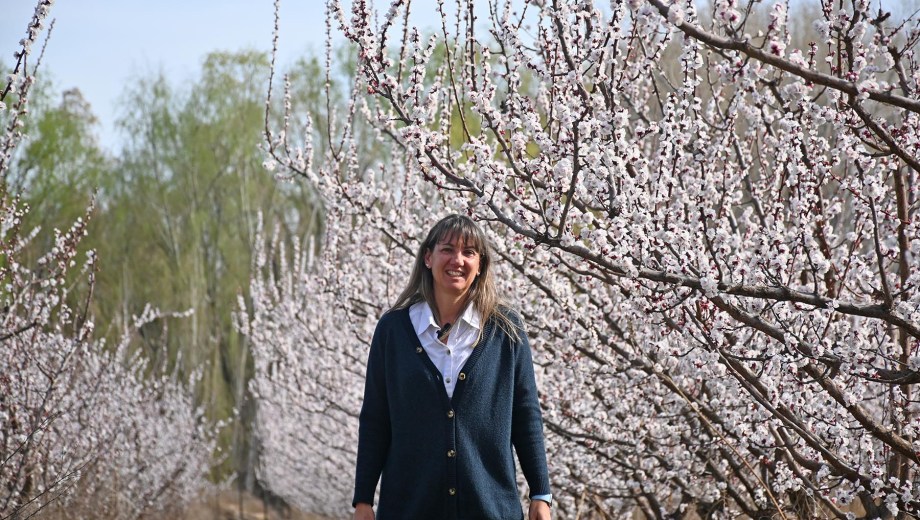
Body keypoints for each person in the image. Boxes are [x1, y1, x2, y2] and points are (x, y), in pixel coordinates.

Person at [352, 214, 552, 520]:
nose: (457, 260)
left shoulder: (505, 330)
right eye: (447, 249)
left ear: (480, 265)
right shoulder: (393, 330)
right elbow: (376, 418)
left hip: (490, 508)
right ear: (428, 257)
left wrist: (540, 493)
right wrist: (363, 498)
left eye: (469, 252)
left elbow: (526, 414)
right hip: (409, 508)